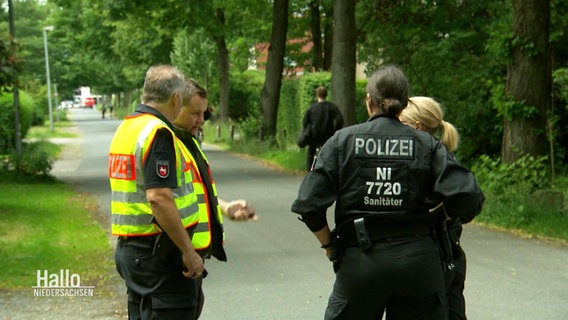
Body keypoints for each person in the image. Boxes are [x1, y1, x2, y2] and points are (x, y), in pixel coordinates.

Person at [291, 65, 485, 320]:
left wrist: (329, 245)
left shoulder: (342, 141)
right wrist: (440, 216)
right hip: (419, 264)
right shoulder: (426, 144)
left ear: (368, 100)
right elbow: (469, 196)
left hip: (361, 261)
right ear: (404, 104)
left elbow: (308, 204)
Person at [109, 65, 205, 319]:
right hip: (156, 255)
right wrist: (188, 251)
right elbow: (159, 198)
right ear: (175, 99)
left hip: (130, 250)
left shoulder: (127, 128)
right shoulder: (158, 133)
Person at [172, 78, 257, 319]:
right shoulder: (168, 144)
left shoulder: (190, 142)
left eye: (204, 114)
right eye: (194, 114)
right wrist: (187, 251)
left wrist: (226, 207)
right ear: (176, 105)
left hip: (190, 260)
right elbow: (161, 200)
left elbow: (192, 194)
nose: (200, 121)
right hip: (175, 260)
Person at [400, 96, 470, 320]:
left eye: (401, 123)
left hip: (436, 258)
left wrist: (441, 215)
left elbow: (469, 199)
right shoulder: (445, 158)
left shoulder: (429, 161)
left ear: (416, 127)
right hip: (451, 255)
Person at [300, 85, 344, 171]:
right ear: (326, 95)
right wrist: (335, 130)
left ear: (317, 95)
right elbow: (339, 119)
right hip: (328, 134)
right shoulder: (331, 107)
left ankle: (309, 171)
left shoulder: (311, 108)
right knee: (330, 152)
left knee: (311, 152)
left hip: (314, 136)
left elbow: (305, 122)